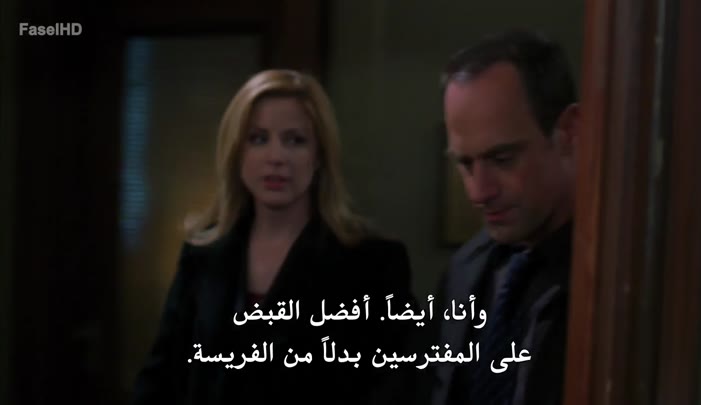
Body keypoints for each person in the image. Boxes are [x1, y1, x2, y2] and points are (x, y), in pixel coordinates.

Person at [131, 69, 417, 405]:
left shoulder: (373, 262)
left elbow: (396, 387)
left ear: (319, 156)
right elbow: (160, 379)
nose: (276, 157)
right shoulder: (203, 255)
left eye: (295, 140)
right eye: (258, 139)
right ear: (237, 153)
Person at [430, 31, 579, 405]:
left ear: (569, 133)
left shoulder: (613, 280)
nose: (478, 193)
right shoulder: (464, 271)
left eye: (502, 159)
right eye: (465, 164)